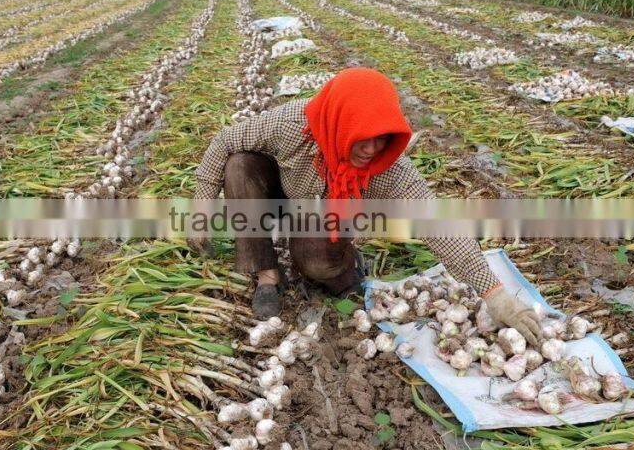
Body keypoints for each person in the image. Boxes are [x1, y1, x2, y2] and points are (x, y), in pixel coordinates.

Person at [188, 68, 541, 346]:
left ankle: (345, 264)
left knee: (315, 261)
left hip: (322, 215)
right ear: (340, 122)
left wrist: (494, 293)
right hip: (281, 193)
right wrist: (203, 202)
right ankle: (267, 277)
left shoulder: (391, 170)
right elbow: (225, 140)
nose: (372, 149)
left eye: (381, 137)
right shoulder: (292, 124)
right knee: (239, 165)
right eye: (363, 136)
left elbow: (438, 224)